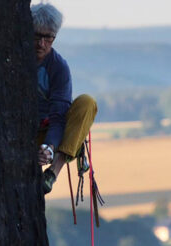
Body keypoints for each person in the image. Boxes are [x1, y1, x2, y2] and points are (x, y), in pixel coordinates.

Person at [31, 3, 98, 194]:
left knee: (87, 103)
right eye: (37, 36)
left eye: (48, 38)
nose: (41, 43)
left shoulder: (58, 67)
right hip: (21, 134)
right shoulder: (13, 59)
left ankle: (52, 173)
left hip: (48, 133)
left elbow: (59, 115)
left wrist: (49, 147)